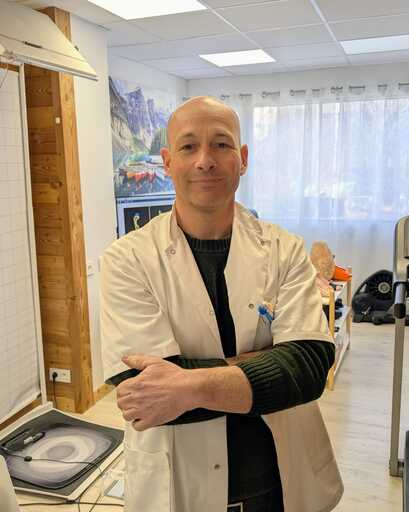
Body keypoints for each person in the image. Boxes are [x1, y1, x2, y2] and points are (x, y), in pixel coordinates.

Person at [100, 96, 343, 512]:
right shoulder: (127, 260)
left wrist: (186, 383)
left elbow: (307, 368)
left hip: (276, 481)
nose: (205, 160)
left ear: (242, 159)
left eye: (221, 144)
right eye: (188, 146)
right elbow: (144, 394)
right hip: (180, 485)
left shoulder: (284, 249)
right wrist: (264, 362)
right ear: (167, 162)